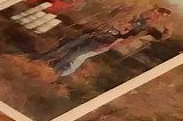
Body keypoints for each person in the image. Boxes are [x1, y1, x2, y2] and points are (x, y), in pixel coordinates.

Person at [38, 5, 173, 80]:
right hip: (95, 32)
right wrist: (118, 11)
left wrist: (168, 30)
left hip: (105, 42)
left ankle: (55, 73)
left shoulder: (148, 27)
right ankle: (41, 60)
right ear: (151, 9)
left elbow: (162, 37)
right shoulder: (132, 11)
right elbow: (110, 14)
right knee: (66, 46)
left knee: (76, 55)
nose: (154, 15)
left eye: (159, 16)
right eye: (155, 12)